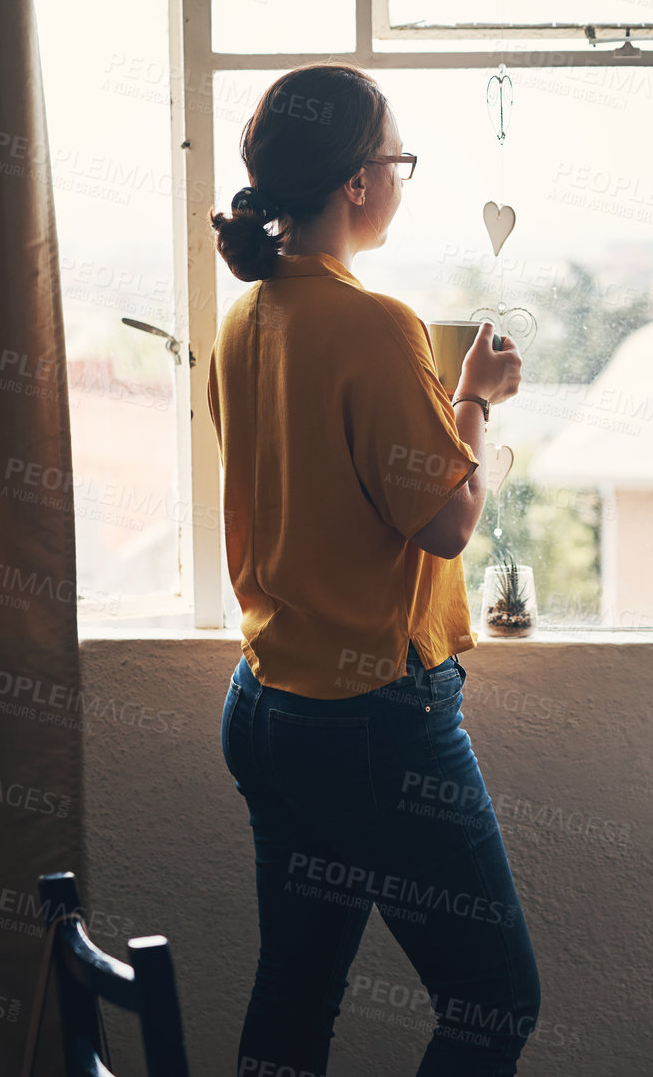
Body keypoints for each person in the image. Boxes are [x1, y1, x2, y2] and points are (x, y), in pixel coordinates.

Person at [208, 63, 536, 1076]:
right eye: (399, 160)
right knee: (494, 1000)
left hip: (268, 704)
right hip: (371, 720)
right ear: (357, 182)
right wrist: (472, 398)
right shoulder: (373, 322)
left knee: (296, 996)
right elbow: (444, 522)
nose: (403, 177)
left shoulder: (245, 319)